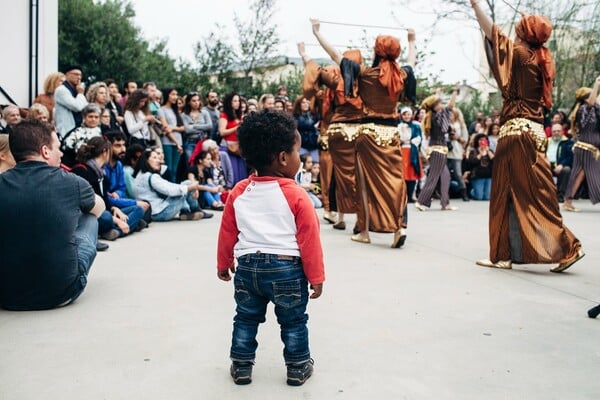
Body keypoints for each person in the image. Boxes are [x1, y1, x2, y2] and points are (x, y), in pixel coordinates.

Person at [470, 3, 583, 272]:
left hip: (516, 135)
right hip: (530, 133)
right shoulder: (540, 57)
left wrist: (476, 5)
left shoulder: (520, 54)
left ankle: (566, 247)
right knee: (522, 194)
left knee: (513, 194)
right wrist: (530, 26)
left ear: (523, 33)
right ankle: (506, 255)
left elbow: (492, 34)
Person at [217, 110, 324, 386]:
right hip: (286, 269)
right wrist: (316, 277)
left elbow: (228, 231)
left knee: (246, 317)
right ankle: (298, 366)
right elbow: (309, 241)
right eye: (297, 151)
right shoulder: (297, 194)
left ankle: (241, 365)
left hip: (248, 268)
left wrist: (223, 262)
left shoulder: (239, 191)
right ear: (283, 158)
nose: (299, 158)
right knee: (293, 321)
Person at [0, 119, 104, 310]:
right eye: (57, 147)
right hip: (62, 292)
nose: (62, 153)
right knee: (88, 218)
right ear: (45, 151)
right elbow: (99, 209)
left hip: (7, 296)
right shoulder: (72, 182)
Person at [71, 137, 145, 240]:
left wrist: (114, 209)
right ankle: (127, 226)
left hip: (105, 211)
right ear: (105, 152)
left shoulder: (102, 174)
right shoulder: (82, 170)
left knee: (138, 209)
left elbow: (105, 199)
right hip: (90, 214)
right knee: (106, 217)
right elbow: (87, 205)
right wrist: (116, 220)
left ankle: (116, 231)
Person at [133, 148, 210, 221]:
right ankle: (194, 210)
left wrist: (189, 187)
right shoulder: (151, 177)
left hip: (152, 212)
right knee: (186, 185)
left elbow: (169, 186)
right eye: (154, 158)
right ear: (146, 160)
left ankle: (186, 212)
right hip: (160, 213)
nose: (159, 160)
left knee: (186, 185)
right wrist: (190, 188)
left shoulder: (140, 175)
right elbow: (169, 190)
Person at [415, 86, 459, 211]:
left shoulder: (433, 116)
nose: (441, 104)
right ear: (435, 106)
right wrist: (455, 92)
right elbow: (450, 106)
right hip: (438, 150)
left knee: (445, 176)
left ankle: (445, 203)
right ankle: (421, 201)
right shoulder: (437, 116)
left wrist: (437, 93)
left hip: (438, 149)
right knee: (434, 176)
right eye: (439, 103)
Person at [563, 78, 600, 212]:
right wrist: (596, 84)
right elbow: (592, 101)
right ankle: (567, 201)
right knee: (579, 174)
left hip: (589, 149)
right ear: (586, 99)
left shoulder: (594, 109)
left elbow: (597, 100)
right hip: (586, 148)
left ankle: (568, 201)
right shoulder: (584, 109)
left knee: (580, 175)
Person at [103, 131, 151, 225]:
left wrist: (117, 193)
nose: (123, 149)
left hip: (118, 201)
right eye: (117, 146)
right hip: (107, 205)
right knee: (138, 208)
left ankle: (131, 222)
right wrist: (134, 203)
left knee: (145, 204)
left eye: (123, 145)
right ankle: (127, 225)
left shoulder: (119, 165)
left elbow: (122, 188)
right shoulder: (102, 166)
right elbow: (105, 198)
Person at [219, 92, 247, 184]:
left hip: (238, 148)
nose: (237, 103)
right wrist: (236, 128)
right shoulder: (224, 115)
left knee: (241, 175)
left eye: (238, 100)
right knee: (232, 175)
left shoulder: (238, 115)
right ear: (229, 102)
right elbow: (222, 132)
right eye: (234, 101)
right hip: (228, 147)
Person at [157, 88, 185, 182]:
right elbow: (165, 128)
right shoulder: (161, 110)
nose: (175, 97)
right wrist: (177, 143)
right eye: (172, 94)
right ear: (167, 95)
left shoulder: (175, 110)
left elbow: (182, 128)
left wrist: (173, 128)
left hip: (178, 141)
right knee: (168, 168)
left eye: (176, 94)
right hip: (168, 142)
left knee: (175, 170)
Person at [54, 65, 88, 138]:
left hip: (78, 129)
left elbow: (85, 108)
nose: (79, 77)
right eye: (76, 74)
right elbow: (77, 107)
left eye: (80, 75)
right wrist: (80, 93)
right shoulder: (61, 90)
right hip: (67, 131)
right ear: (67, 75)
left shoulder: (77, 89)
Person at [398, 107, 423, 203]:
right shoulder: (399, 126)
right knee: (403, 173)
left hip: (412, 151)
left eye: (408, 114)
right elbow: (400, 138)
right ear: (402, 115)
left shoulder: (416, 126)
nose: (407, 116)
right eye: (405, 114)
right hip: (402, 150)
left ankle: (411, 194)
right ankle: (403, 196)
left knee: (412, 173)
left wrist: (411, 141)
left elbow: (419, 138)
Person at [546, 124, 572, 202]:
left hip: (560, 165)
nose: (556, 133)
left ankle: (560, 195)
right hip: (547, 164)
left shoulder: (567, 142)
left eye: (558, 131)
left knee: (566, 169)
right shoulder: (547, 141)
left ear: (562, 132)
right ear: (551, 132)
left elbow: (570, 157)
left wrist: (562, 165)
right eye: (554, 131)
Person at [182, 92, 212, 160]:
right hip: (190, 142)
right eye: (194, 101)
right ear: (189, 102)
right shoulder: (184, 115)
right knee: (190, 163)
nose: (196, 102)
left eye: (198, 100)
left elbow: (209, 126)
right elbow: (187, 130)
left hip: (203, 141)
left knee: (203, 162)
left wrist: (194, 126)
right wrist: (203, 127)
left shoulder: (204, 113)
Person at [448, 107, 470, 201]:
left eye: (452, 114)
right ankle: (444, 193)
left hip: (456, 151)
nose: (450, 116)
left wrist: (457, 137)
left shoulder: (461, 125)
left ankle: (464, 193)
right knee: (445, 173)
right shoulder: (445, 124)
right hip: (446, 151)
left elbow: (465, 140)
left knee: (457, 173)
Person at [466, 133, 494, 200]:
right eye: (481, 140)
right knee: (479, 197)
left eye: (484, 140)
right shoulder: (473, 151)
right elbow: (472, 162)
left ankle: (482, 191)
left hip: (489, 176)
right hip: (477, 176)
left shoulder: (490, 151)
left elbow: (495, 161)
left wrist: (488, 151)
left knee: (487, 197)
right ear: (477, 141)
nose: (482, 141)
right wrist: (480, 154)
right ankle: (473, 191)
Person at [293, 96, 321, 162]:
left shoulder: (315, 115)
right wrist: (314, 126)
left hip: (314, 146)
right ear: (299, 104)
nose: (306, 104)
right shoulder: (295, 117)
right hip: (302, 146)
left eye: (307, 102)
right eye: (303, 102)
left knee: (316, 166)